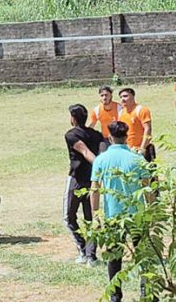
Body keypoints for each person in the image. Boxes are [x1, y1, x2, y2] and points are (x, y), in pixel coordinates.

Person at [90, 121, 154, 302]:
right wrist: (151, 212)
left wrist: (96, 215)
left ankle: (115, 295)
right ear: (126, 137)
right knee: (143, 255)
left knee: (114, 257)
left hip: (113, 216)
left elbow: (94, 189)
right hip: (137, 215)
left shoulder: (100, 160)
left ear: (110, 138)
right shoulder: (138, 159)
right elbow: (147, 189)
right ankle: (146, 291)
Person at [64, 104, 105, 266]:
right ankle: (90, 255)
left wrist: (99, 168)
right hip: (92, 181)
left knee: (69, 216)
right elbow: (102, 153)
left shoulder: (71, 135)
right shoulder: (97, 135)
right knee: (91, 217)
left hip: (77, 180)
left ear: (73, 118)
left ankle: (84, 251)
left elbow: (86, 153)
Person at [117, 88, 156, 163]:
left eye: (125, 96)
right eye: (121, 97)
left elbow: (147, 129)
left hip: (143, 149)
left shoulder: (141, 110)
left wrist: (142, 148)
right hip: (129, 150)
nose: (122, 99)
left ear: (133, 96)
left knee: (148, 174)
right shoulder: (121, 113)